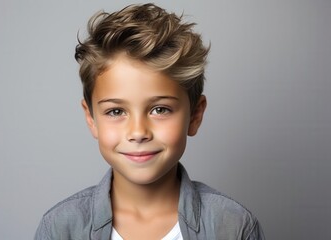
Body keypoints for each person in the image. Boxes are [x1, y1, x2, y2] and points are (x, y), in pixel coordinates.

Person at [34, 3, 265, 240]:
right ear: (91, 118)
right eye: (115, 112)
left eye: (160, 109)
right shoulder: (59, 228)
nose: (138, 132)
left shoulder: (233, 226)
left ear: (195, 116)